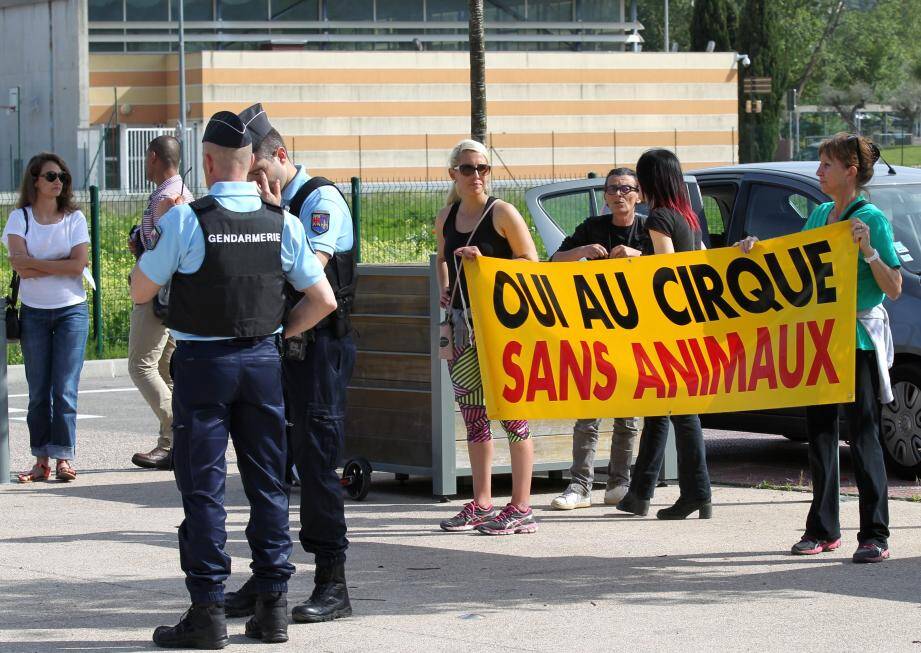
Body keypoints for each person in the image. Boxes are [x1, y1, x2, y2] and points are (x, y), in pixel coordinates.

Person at [133, 111, 336, 649]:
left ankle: (207, 613)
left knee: (203, 491)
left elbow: (138, 290)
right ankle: (272, 609)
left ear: (206, 162)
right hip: (263, 363)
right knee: (268, 484)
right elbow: (324, 299)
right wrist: (280, 332)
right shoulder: (282, 222)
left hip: (203, 368)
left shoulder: (187, 219)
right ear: (251, 164)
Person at [221, 103, 358, 624]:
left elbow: (311, 277)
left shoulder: (319, 199)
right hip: (275, 348)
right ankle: (268, 576)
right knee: (267, 465)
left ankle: (332, 582)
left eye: (258, 171)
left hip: (319, 349)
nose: (254, 183)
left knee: (317, 464)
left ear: (280, 155)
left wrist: (273, 219)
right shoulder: (261, 201)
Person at [738, 133, 901, 563]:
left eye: (826, 165)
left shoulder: (873, 220)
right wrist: (757, 251)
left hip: (857, 342)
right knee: (821, 435)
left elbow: (894, 287)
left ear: (850, 169)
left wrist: (868, 252)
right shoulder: (824, 214)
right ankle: (823, 528)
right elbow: (795, 259)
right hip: (819, 341)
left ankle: (875, 534)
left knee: (863, 436)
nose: (818, 172)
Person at [435, 139, 540, 535]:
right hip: (462, 325)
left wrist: (488, 262)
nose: (476, 175)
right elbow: (442, 260)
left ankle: (522, 506)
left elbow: (531, 262)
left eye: (483, 168)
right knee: (473, 415)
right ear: (453, 175)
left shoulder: (503, 213)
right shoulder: (446, 216)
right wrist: (446, 288)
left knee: (514, 413)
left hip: (500, 328)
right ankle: (481, 501)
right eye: (467, 169)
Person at [615, 148, 713, 520]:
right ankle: (639, 494)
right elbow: (700, 261)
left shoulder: (658, 217)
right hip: (689, 323)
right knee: (658, 409)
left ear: (651, 180)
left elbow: (665, 269)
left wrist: (633, 258)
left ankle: (698, 494)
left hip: (665, 325)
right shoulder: (689, 217)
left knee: (682, 412)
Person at [548, 167, 650, 510]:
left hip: (637, 334)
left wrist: (638, 257)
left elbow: (678, 265)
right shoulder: (591, 228)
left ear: (638, 194)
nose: (619, 195)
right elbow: (552, 261)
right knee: (588, 413)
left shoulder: (650, 231)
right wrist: (582, 252)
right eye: (612, 189)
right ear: (605, 195)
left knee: (629, 415)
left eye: (626, 189)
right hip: (593, 333)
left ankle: (619, 484)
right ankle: (579, 486)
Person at [3, 153, 90, 484]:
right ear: (35, 180)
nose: (59, 183)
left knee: (65, 389)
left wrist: (37, 263)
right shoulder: (19, 218)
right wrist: (60, 262)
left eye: (63, 178)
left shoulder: (74, 218)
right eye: (52, 176)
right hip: (34, 313)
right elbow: (17, 264)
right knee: (38, 391)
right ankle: (41, 459)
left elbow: (78, 265)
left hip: (72, 310)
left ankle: (64, 457)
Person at [129, 135, 194, 470]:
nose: (145, 162)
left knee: (140, 366)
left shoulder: (167, 198)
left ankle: (179, 430)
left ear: (153, 157)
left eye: (145, 157)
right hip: (174, 295)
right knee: (167, 372)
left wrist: (141, 251)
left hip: (157, 295)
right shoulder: (177, 192)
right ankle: (170, 446)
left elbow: (162, 252)